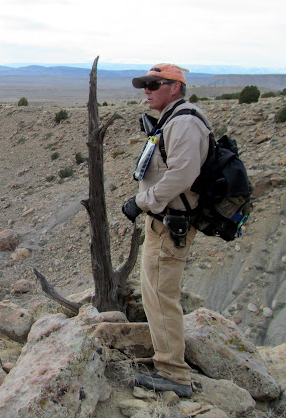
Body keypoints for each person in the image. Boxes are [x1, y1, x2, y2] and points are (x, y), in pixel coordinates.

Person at [121, 63, 212, 398]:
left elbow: (181, 176)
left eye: (153, 84)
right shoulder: (173, 119)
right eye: (144, 85)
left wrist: (141, 201)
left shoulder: (185, 121)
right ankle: (168, 362)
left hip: (170, 222)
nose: (146, 90)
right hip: (163, 221)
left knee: (161, 296)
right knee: (156, 295)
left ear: (175, 87)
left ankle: (174, 373)